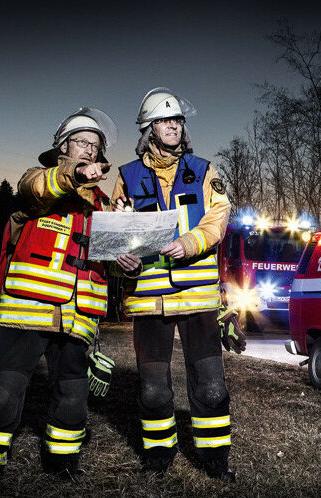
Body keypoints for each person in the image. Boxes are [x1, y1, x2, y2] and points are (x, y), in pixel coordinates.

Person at [0, 108, 137, 492]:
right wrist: (73, 176)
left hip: (80, 317)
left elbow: (113, 269)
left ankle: (63, 460)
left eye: (95, 144)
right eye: (81, 142)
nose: (89, 150)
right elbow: (37, 189)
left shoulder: (105, 206)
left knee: (72, 394)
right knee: (5, 388)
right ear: (62, 147)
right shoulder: (38, 182)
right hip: (28, 308)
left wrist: (127, 258)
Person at [112, 87, 234, 481]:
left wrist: (190, 242)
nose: (174, 126)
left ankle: (215, 460)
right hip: (148, 299)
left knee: (211, 386)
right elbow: (118, 232)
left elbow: (218, 217)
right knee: (152, 389)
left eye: (178, 120)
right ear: (149, 129)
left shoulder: (203, 170)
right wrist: (124, 262)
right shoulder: (126, 177)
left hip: (197, 297)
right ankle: (157, 456)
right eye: (165, 120)